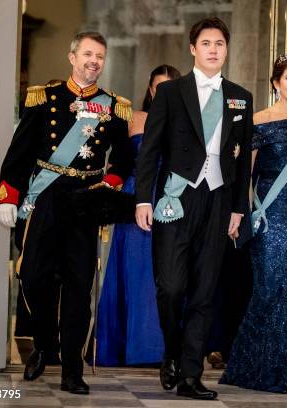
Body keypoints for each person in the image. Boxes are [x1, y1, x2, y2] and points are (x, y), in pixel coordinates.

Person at [0, 32, 133, 394]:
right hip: (47, 197)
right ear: (72, 56)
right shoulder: (45, 98)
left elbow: (122, 159)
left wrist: (109, 187)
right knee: (33, 275)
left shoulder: (115, 106)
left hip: (86, 200)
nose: (94, 61)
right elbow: (19, 153)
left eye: (100, 56)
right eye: (88, 53)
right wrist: (8, 197)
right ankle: (44, 343)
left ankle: (72, 367)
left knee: (78, 285)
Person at [135, 17, 252, 400]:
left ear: (226, 49)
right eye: (206, 43)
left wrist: (238, 209)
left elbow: (243, 162)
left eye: (220, 43)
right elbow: (150, 150)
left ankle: (190, 373)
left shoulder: (240, 97)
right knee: (170, 287)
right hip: (177, 197)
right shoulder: (171, 92)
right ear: (192, 48)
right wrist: (142, 198)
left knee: (204, 290)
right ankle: (171, 351)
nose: (214, 49)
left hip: (219, 198)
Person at [219, 54, 287, 395]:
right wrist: (241, 214)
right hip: (270, 215)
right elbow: (244, 176)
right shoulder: (259, 122)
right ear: (276, 83)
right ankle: (257, 369)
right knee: (269, 291)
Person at [95, 64, 181, 366]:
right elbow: (115, 159)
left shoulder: (186, 122)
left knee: (166, 275)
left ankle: (160, 351)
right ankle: (126, 347)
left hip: (172, 201)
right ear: (150, 89)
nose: (164, 93)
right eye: (160, 87)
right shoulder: (134, 118)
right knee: (134, 271)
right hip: (136, 201)